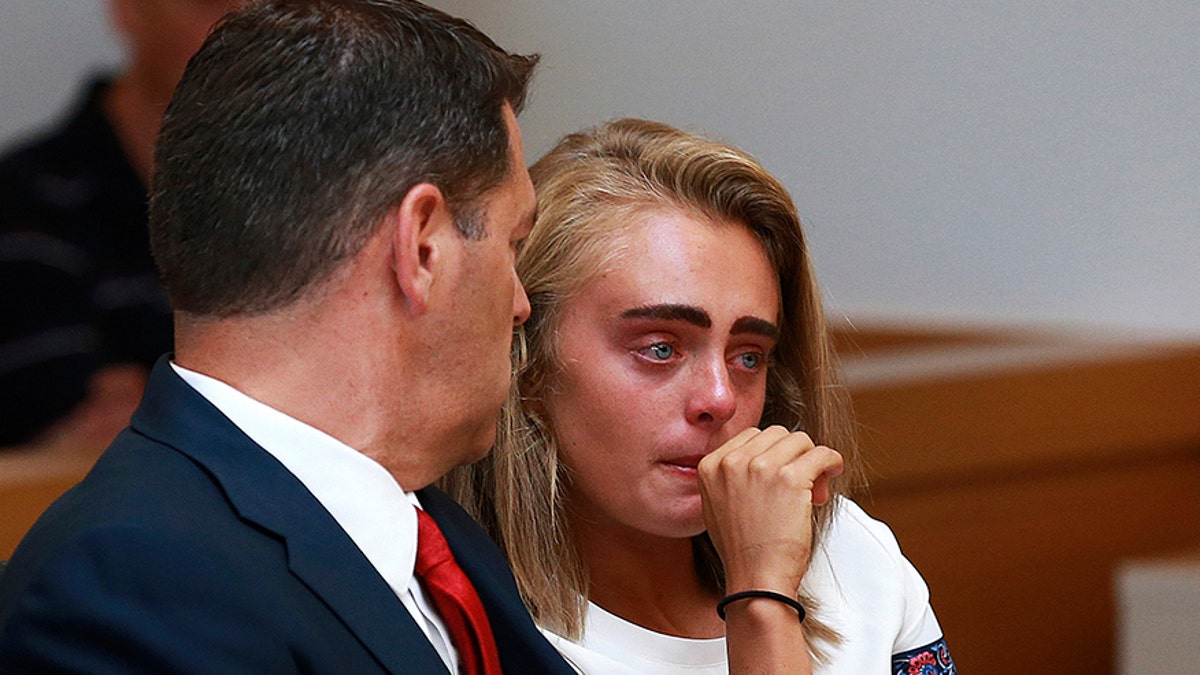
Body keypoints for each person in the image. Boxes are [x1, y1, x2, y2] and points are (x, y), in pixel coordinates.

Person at [0, 1, 574, 673]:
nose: (521, 303)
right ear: (421, 248)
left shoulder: (443, 541)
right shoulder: (131, 587)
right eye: (513, 243)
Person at [443, 119, 956, 674]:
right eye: (660, 349)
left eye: (748, 356)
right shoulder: (462, 628)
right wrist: (762, 599)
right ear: (528, 361)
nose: (720, 399)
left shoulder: (849, 557)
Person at [0, 0, 243, 447]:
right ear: (129, 9)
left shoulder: (322, 194)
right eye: (210, 3)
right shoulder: (26, 204)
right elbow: (75, 426)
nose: (247, 22)